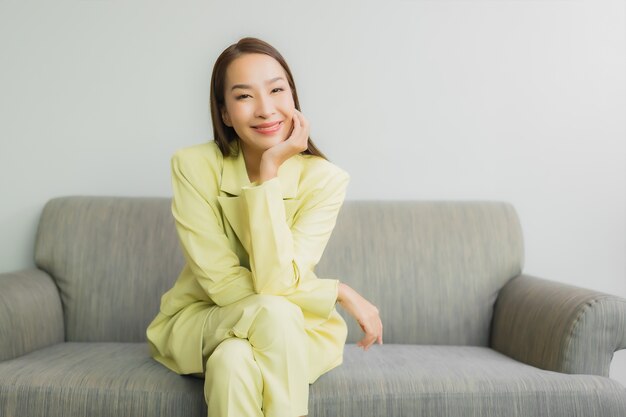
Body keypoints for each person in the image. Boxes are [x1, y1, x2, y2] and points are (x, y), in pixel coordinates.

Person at [146, 36, 383, 417]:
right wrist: (334, 291)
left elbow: (274, 285)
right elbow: (223, 285)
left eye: (276, 90)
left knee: (234, 361)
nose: (266, 109)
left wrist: (269, 173)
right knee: (275, 312)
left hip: (295, 332)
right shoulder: (192, 166)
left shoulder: (325, 180)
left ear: (293, 98)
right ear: (223, 113)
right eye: (244, 97)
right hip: (207, 319)